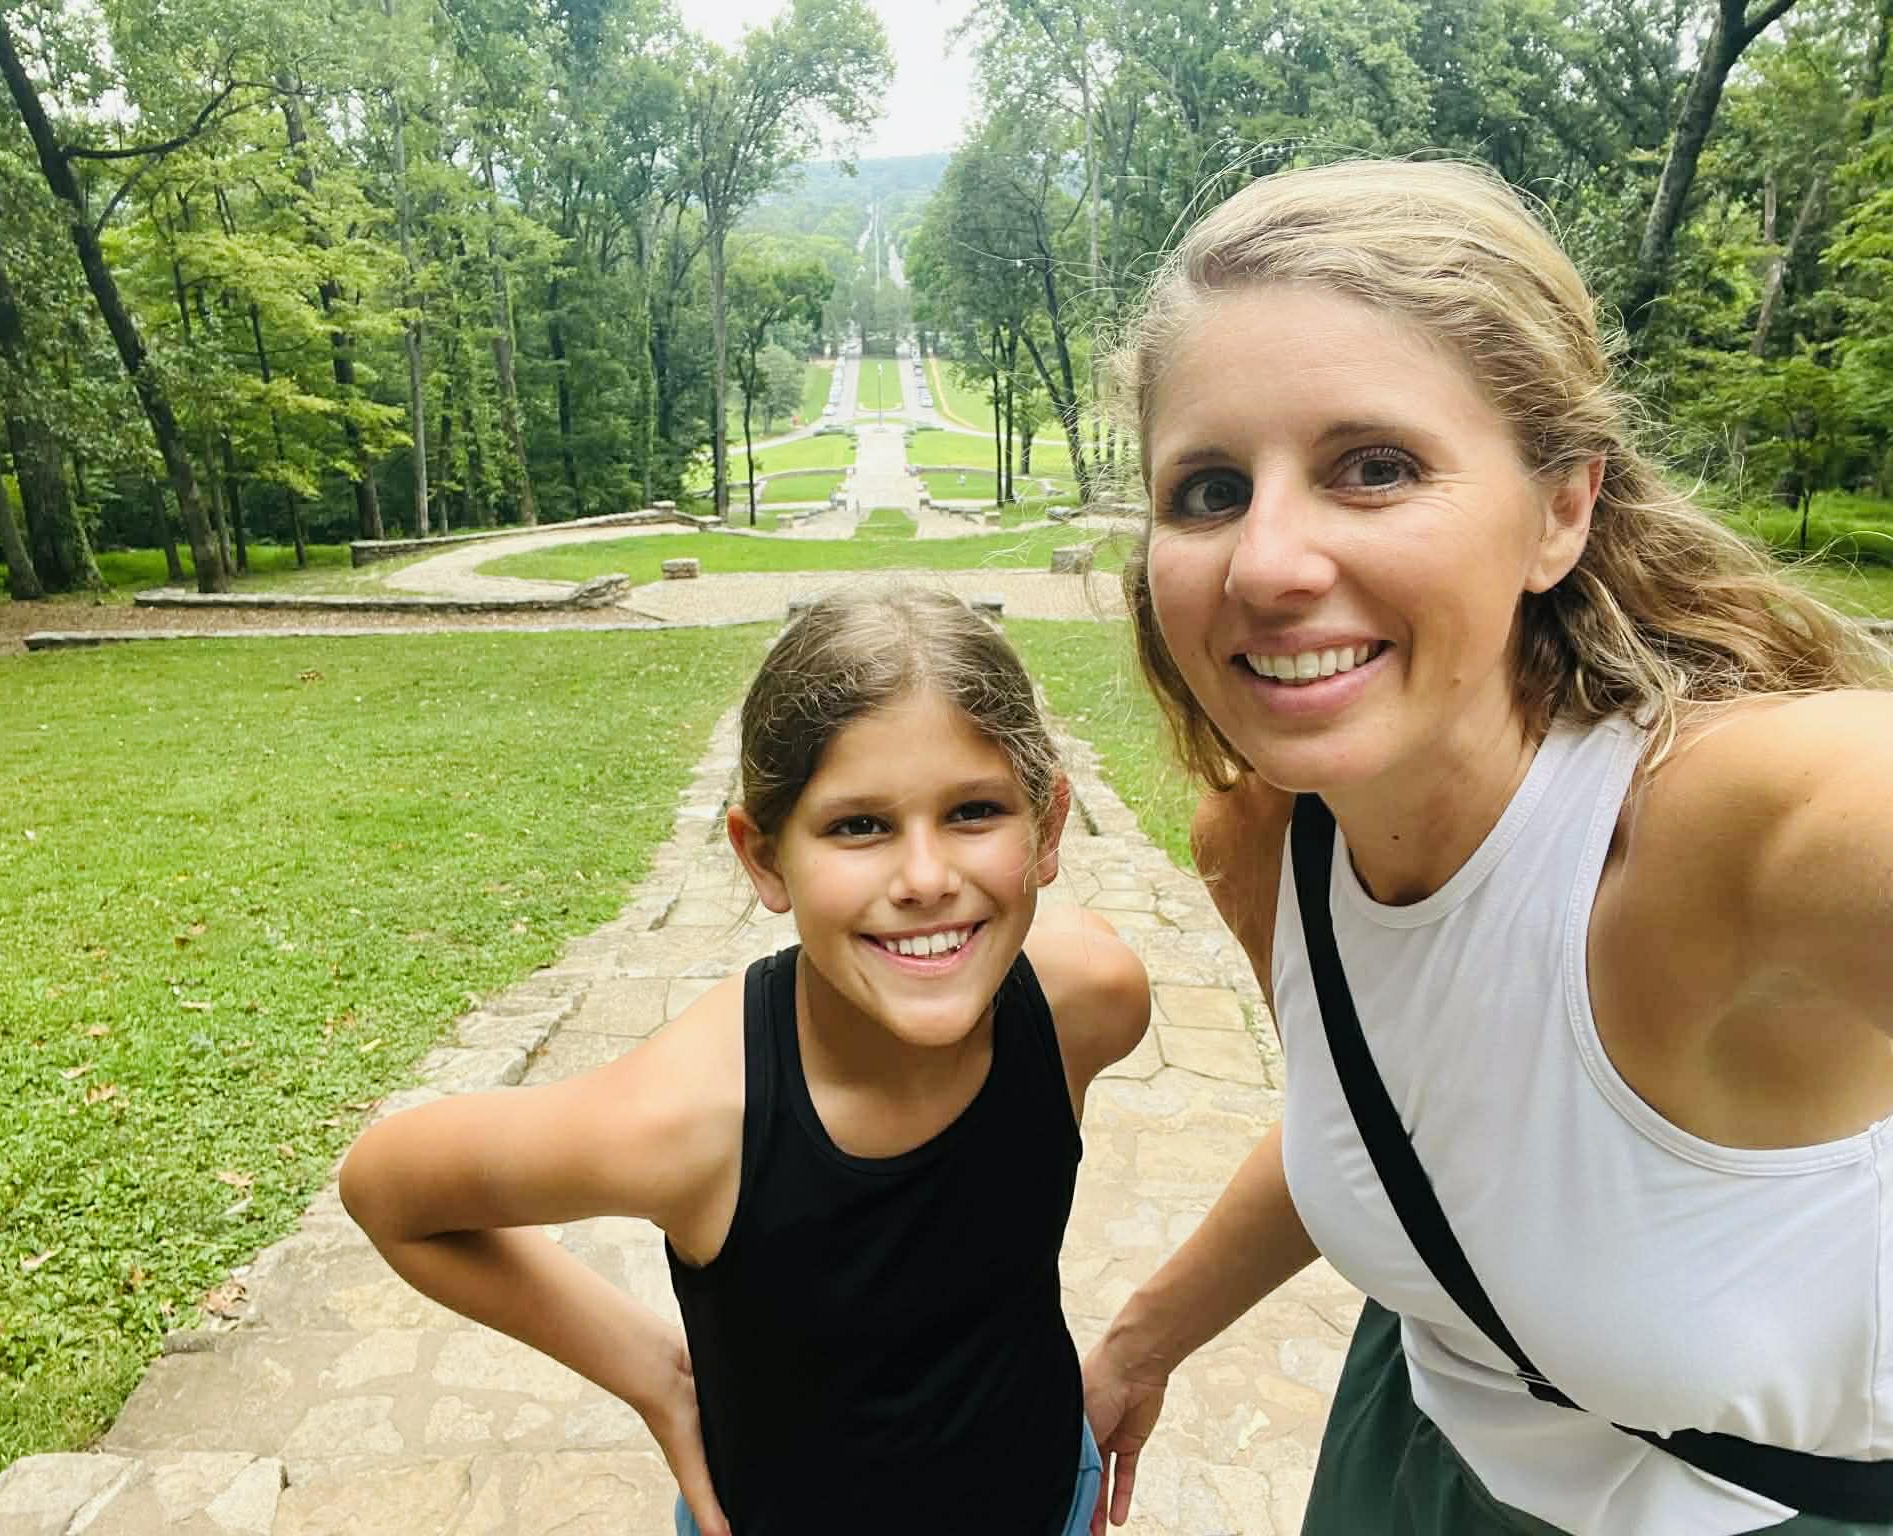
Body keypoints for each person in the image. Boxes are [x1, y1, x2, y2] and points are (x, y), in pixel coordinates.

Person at [1079, 158, 1893, 1536]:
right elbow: (1404, 1112)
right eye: (1210, 489)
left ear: (1561, 508)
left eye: (1374, 468)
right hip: (1410, 1456)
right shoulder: (1264, 843)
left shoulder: (1741, 822)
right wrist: (1142, 1341)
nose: (1266, 563)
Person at [338, 583, 1151, 1536]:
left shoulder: (1088, 1000)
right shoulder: (690, 1120)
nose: (927, 879)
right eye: (858, 825)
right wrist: (654, 1371)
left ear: (1047, 830)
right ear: (764, 859)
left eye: (974, 810)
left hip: (1043, 1495)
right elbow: (385, 1189)